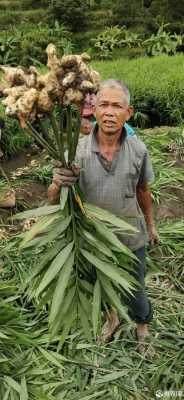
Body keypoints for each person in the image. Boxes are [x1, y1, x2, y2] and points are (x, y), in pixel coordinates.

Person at [48, 79, 159, 350]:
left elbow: (143, 190)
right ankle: (112, 319)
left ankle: (142, 325)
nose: (110, 112)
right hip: (92, 239)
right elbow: (53, 200)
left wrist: (151, 225)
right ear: (94, 110)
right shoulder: (76, 151)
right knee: (103, 283)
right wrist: (57, 183)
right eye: (104, 105)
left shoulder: (138, 150)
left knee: (136, 290)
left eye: (117, 106)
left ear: (128, 113)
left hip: (131, 235)